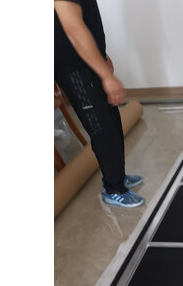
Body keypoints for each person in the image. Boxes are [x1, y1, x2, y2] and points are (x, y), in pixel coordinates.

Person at [54, 0, 144, 208]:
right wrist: (106, 76)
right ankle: (114, 189)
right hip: (75, 69)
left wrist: (102, 55)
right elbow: (74, 30)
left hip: (87, 63)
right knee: (101, 129)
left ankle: (118, 176)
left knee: (111, 121)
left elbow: (86, 19)